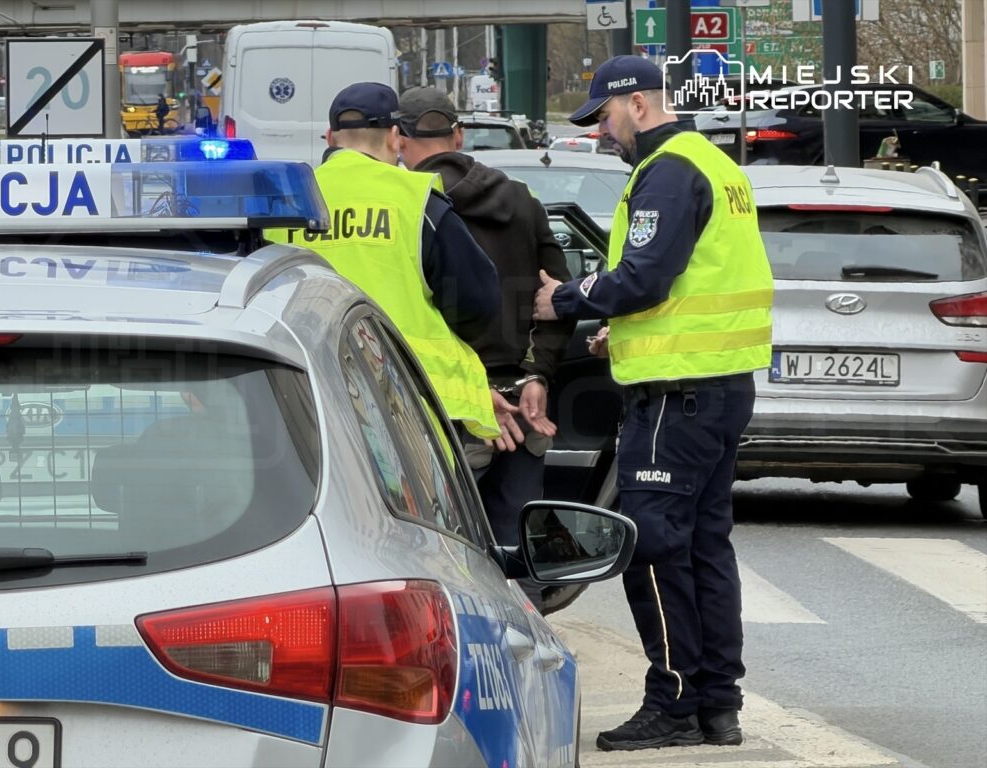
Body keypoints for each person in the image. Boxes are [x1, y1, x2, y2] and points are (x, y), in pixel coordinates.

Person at [533, 55, 774, 751]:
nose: (605, 134)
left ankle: (673, 701)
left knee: (651, 548)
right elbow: (690, 283)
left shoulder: (667, 172)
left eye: (606, 118)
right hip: (718, 384)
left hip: (677, 397)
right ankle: (716, 704)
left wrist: (566, 301)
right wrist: (625, 331)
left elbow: (644, 274)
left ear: (637, 104)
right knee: (703, 548)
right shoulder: (716, 164)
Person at [396, 86, 576, 609]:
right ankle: (530, 649)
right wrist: (538, 373)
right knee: (519, 553)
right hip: (520, 405)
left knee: (443, 550)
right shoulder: (521, 200)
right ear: (459, 135)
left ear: (400, 141)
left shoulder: (408, 207)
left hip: (440, 405)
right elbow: (556, 298)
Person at [265, 82, 510, 443]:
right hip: (405, 407)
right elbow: (480, 300)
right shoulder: (415, 199)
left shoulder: (285, 203)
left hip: (301, 398)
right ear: (396, 136)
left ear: (330, 137)